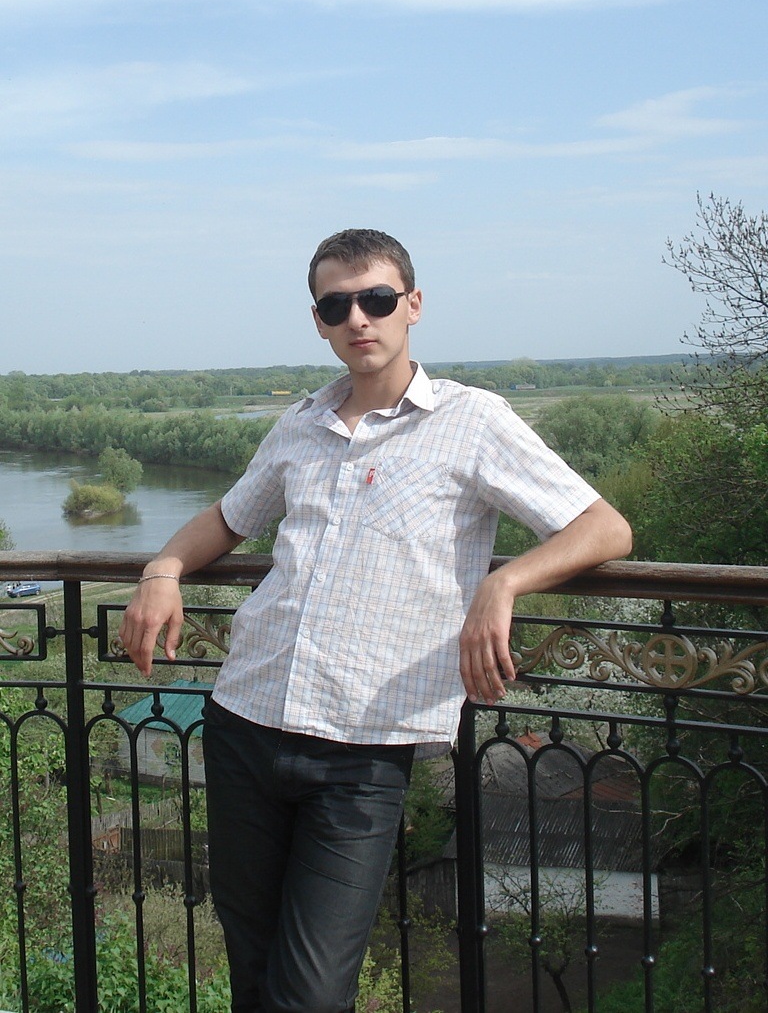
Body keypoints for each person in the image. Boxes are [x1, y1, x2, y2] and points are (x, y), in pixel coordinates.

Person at [119, 229, 631, 1013]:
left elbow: (603, 527)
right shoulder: (300, 424)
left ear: (412, 305)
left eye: (377, 299)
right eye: (337, 305)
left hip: (363, 750)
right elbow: (227, 519)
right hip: (245, 720)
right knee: (252, 967)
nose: (358, 317)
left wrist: (503, 584)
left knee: (312, 993)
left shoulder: (473, 420)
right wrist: (162, 571)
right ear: (319, 321)